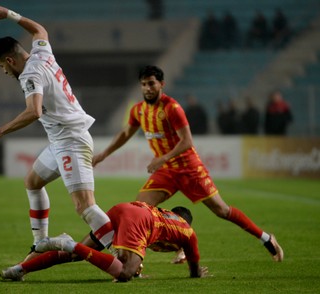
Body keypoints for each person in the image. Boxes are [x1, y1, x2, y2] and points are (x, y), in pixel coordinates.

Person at [92, 65, 283, 263]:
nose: (147, 88)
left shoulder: (172, 108)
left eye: (151, 83)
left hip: (189, 168)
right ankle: (141, 262)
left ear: (161, 84)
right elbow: (125, 134)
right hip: (166, 171)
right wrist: (104, 154)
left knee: (221, 210)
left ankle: (266, 238)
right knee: (139, 210)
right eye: (143, 84)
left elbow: (187, 141)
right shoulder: (138, 111)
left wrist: (163, 157)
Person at [0, 5, 114, 259]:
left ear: (9, 60)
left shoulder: (30, 74)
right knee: (33, 182)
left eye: (2, 67)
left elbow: (34, 111)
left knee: (85, 207)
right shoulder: (41, 53)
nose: (4, 73)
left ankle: (127, 256)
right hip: (61, 141)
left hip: (72, 141)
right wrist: (10, 15)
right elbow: (39, 29)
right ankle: (41, 244)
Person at [0, 201, 209, 282]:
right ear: (186, 221)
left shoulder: (167, 217)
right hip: (140, 221)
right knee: (125, 273)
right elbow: (194, 268)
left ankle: (20, 269)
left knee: (76, 256)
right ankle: (67, 242)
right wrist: (197, 273)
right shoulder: (187, 231)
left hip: (125, 209)